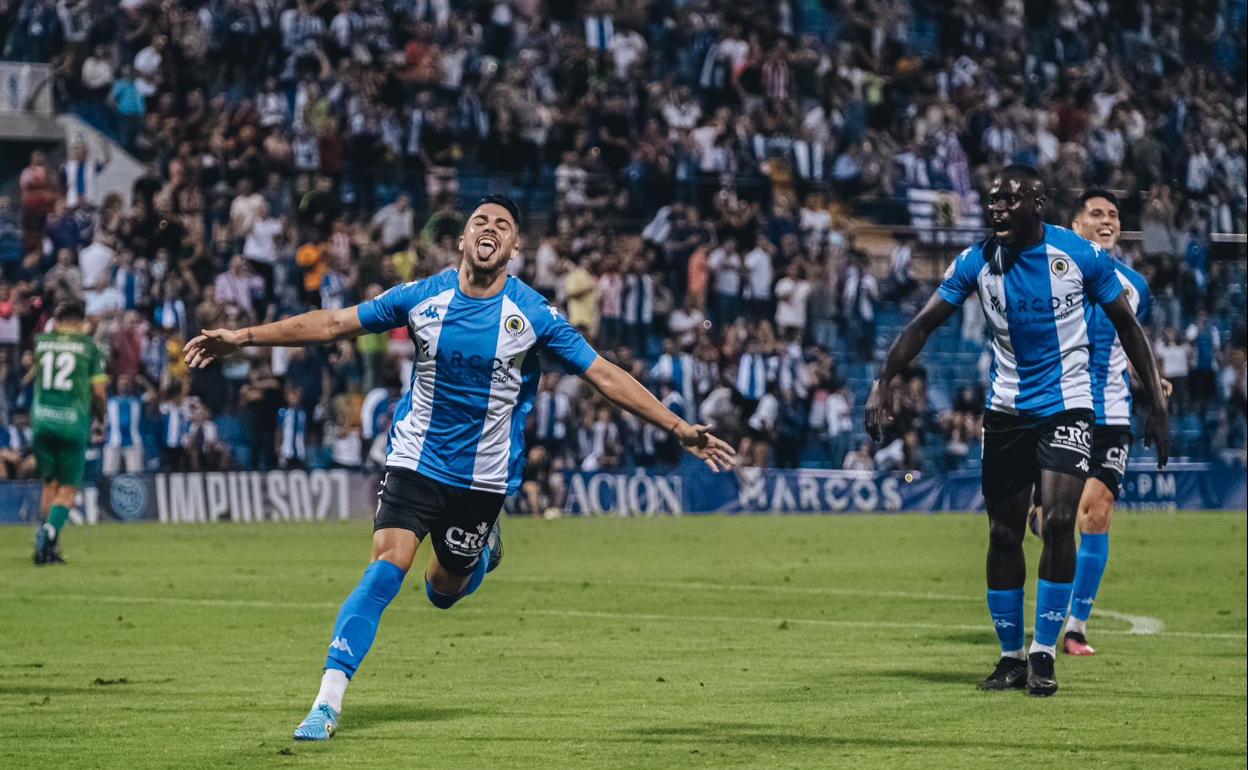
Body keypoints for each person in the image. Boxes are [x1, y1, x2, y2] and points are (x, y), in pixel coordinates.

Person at [182, 194, 735, 741]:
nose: (490, 228)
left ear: (515, 246)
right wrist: (243, 338)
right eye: (480, 220)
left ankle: (483, 549)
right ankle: (327, 700)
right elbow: (332, 323)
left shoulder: (534, 315)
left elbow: (604, 374)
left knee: (442, 591)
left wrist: (678, 427)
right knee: (384, 570)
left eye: (502, 224)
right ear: (464, 238)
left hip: (482, 479)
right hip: (415, 461)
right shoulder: (422, 296)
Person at [865, 166, 1169, 697]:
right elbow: (924, 323)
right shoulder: (975, 262)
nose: (997, 208)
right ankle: (1009, 656)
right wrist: (883, 378)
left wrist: (1157, 406)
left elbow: (1127, 325)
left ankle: (1045, 651)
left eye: (1010, 200)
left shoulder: (1078, 256)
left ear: (1038, 204)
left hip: (1068, 407)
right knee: (1004, 534)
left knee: (1056, 521)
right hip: (1005, 411)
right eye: (993, 200)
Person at [1029, 191, 1172, 656]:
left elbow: (1128, 344)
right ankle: (1039, 519)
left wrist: (1152, 383)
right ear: (1074, 225)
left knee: (1098, 508)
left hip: (1111, 412)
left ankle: (1076, 627)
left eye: (1113, 214)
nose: (1108, 220)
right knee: (1054, 521)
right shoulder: (1054, 273)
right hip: (1059, 407)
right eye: (1097, 213)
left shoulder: (1134, 287)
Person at [31, 300, 108, 565]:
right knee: (68, 488)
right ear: (80, 320)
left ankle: (47, 545)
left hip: (41, 421)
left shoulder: (41, 342)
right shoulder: (89, 347)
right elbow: (98, 393)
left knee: (49, 483)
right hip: (72, 423)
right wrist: (100, 418)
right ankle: (49, 532)